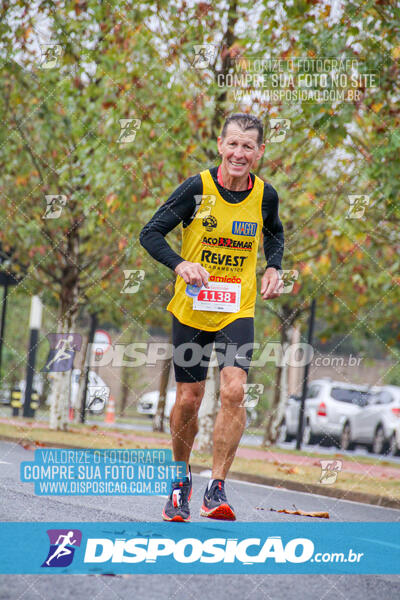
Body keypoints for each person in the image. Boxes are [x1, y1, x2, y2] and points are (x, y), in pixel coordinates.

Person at [140, 113, 284, 522]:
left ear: (258, 152)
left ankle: (216, 486)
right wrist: (180, 263)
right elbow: (150, 233)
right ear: (221, 145)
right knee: (189, 398)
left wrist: (273, 266)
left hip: (237, 306)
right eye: (233, 144)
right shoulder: (196, 188)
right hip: (193, 307)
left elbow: (274, 233)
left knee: (234, 390)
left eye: (248, 147)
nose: (239, 153)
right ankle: (180, 478)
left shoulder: (265, 195)